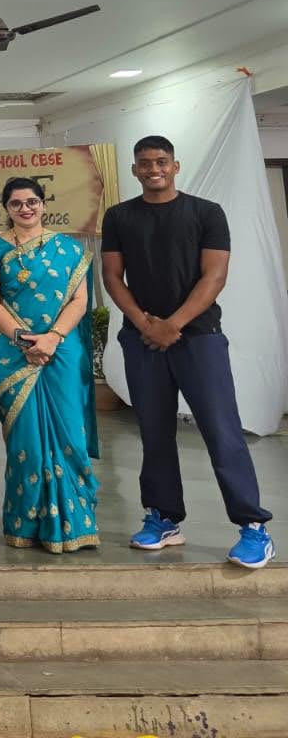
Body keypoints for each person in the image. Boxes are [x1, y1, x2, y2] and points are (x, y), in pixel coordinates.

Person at [102, 136, 274, 567]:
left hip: (199, 338)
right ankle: (164, 518)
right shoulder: (119, 216)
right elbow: (112, 276)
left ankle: (253, 527)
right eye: (145, 163)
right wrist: (146, 325)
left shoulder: (206, 213)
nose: (153, 169)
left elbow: (214, 276)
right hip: (142, 340)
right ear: (135, 169)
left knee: (221, 431)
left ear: (175, 166)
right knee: (154, 432)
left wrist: (172, 325)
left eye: (161, 161)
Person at [0, 176, 99, 554]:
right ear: (7, 208)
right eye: (16, 203)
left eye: (32, 201)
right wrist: (22, 339)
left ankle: (74, 524)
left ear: (43, 204)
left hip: (61, 350)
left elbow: (80, 301)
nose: (25, 208)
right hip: (12, 352)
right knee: (26, 443)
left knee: (70, 435)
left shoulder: (69, 248)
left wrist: (52, 338)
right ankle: (25, 523)